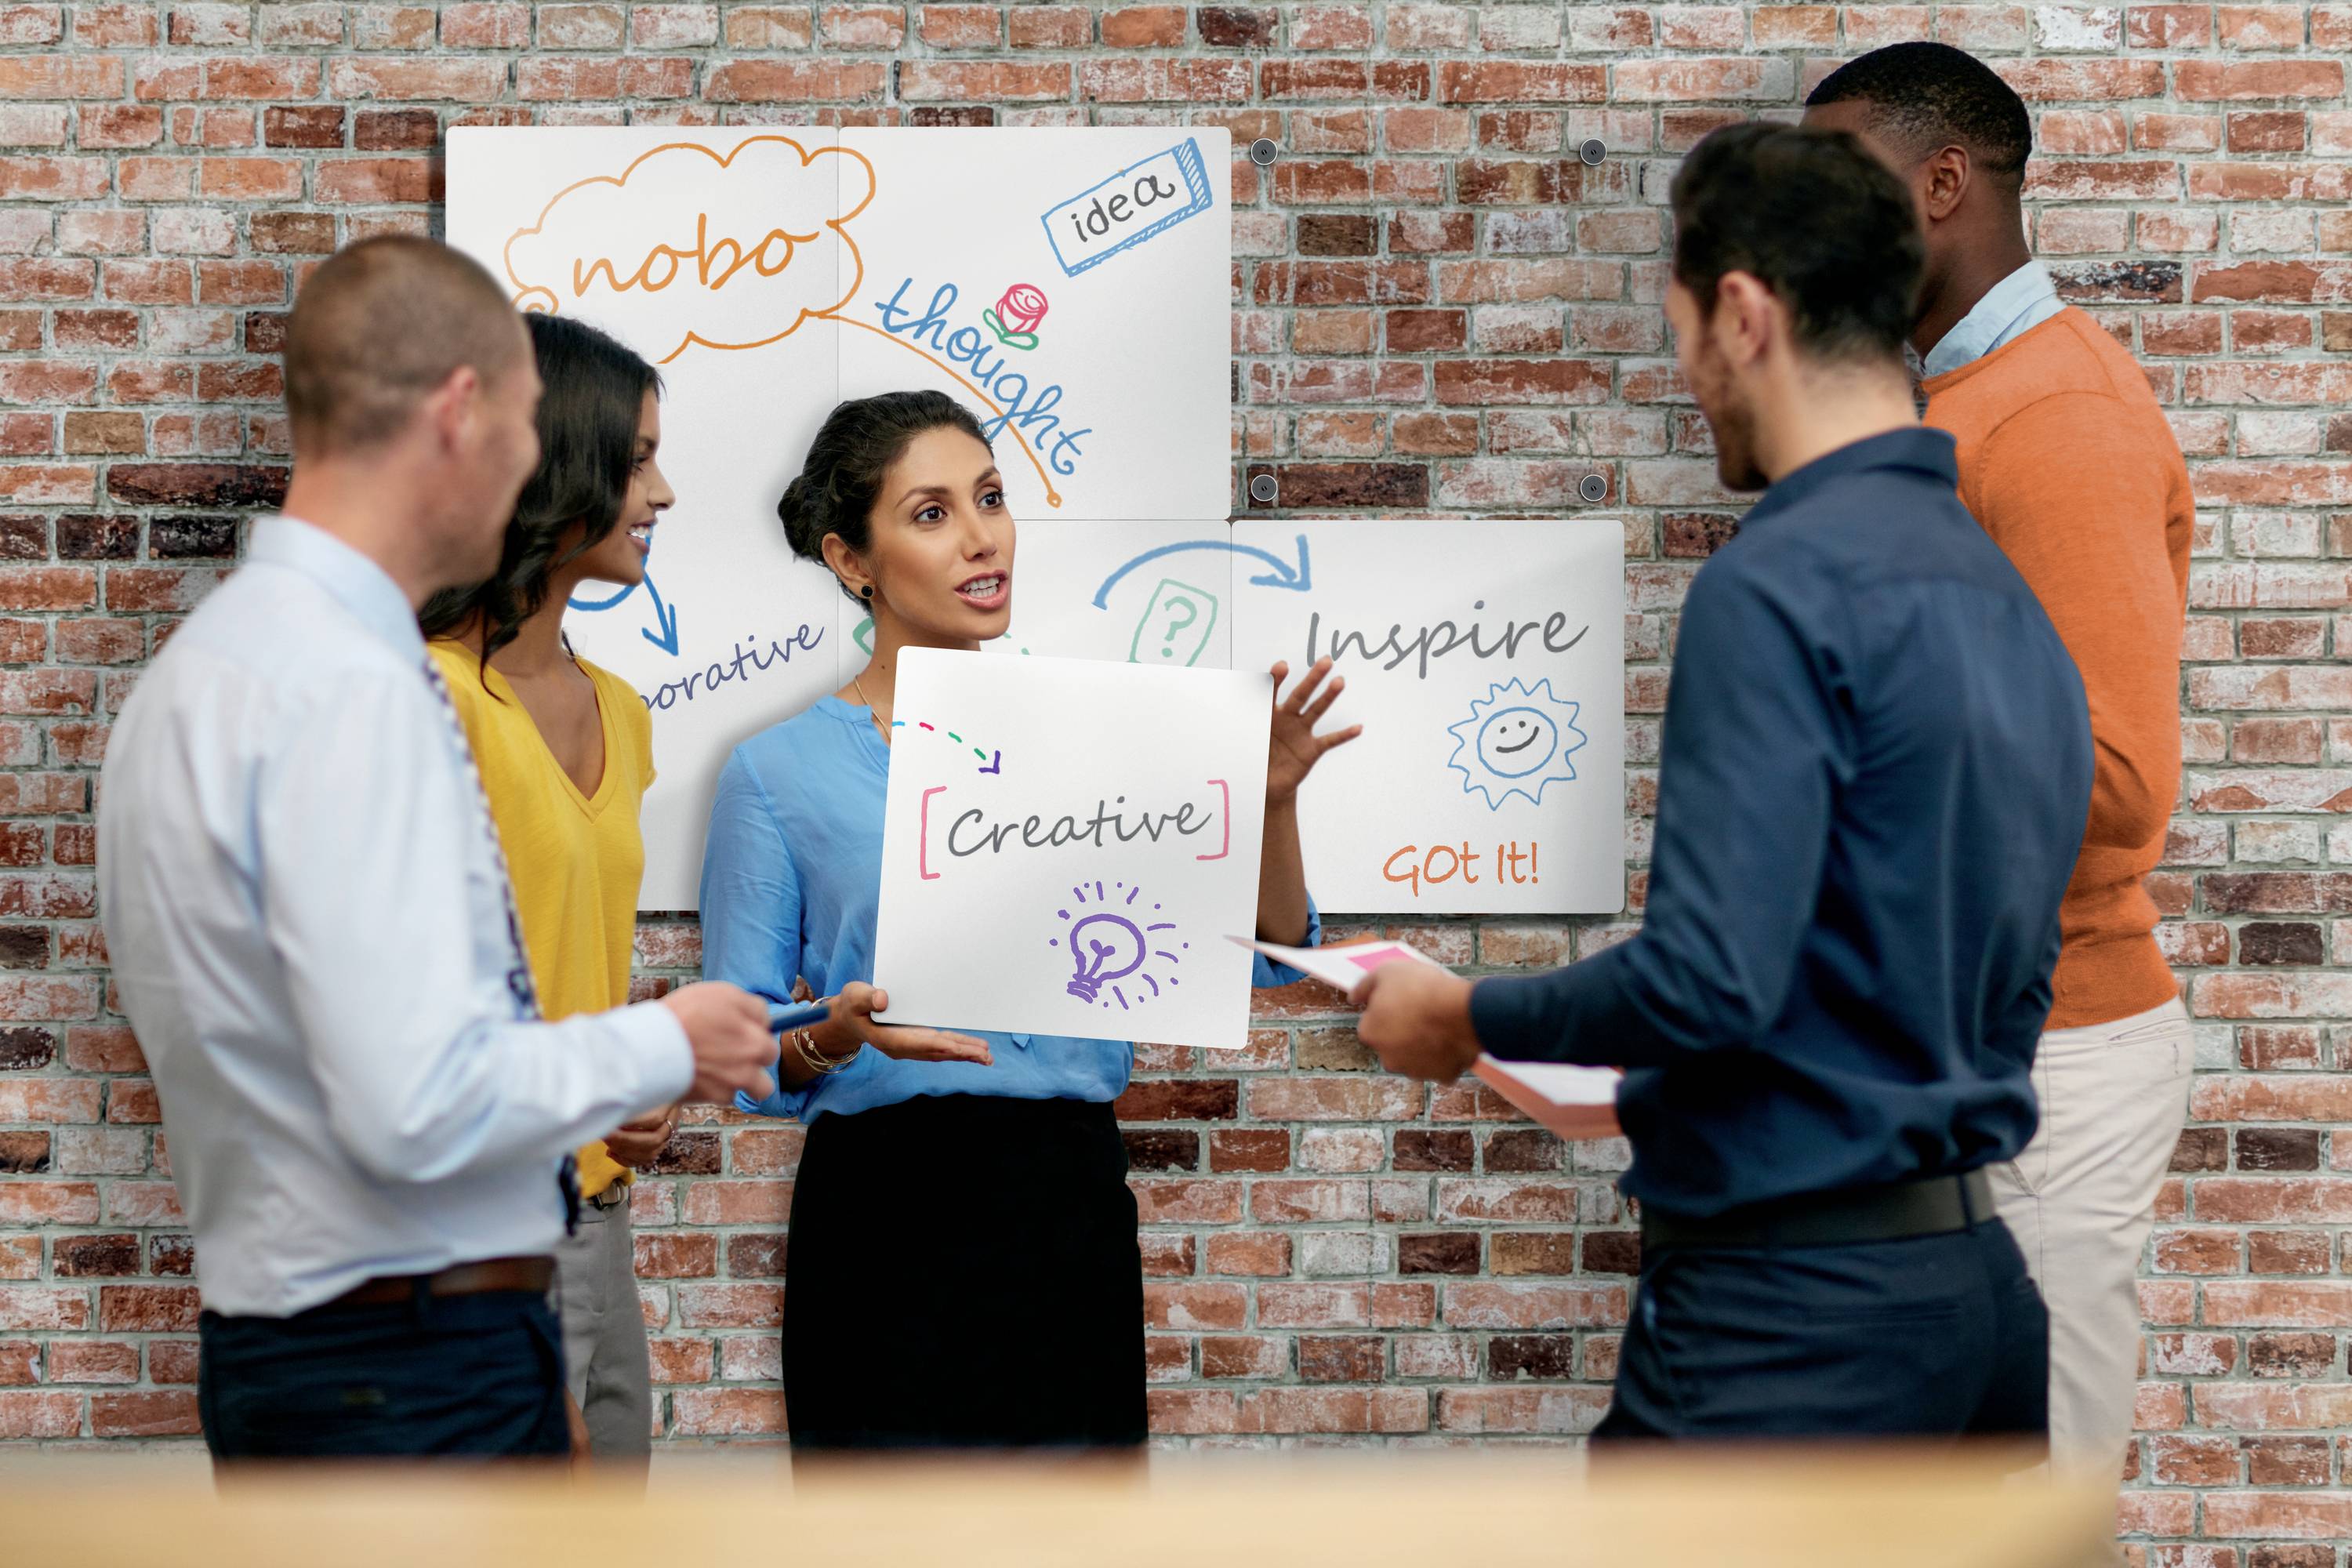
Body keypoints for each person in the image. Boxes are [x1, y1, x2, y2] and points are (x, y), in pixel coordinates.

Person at [1349, 124, 2092, 1443]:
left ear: (1744, 315)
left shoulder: (1779, 584)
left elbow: (1708, 980)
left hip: (1789, 1333)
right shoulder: (2007, 598)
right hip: (1978, 1313)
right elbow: (1997, 972)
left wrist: (1464, 1011)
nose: (1690, 373)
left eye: (1685, 327)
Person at [95, 237, 779, 1461]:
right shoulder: (350, 690)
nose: (529, 467)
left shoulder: (202, 674)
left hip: (319, 1345)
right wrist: (664, 1041)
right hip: (406, 1368)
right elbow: (412, 1105)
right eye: (527, 427)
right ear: (464, 415)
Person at [700, 390, 1358, 1452]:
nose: (979, 538)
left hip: (1065, 1202)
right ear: (849, 559)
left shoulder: (1102, 735)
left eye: (991, 499)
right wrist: (837, 1035)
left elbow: (1267, 957)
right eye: (931, 512)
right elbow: (742, 1052)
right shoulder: (776, 773)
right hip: (880, 1212)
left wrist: (1272, 801)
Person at [1806, 44, 2196, 1477]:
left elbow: (2118, 785)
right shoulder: (1955, 412)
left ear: (1945, 181)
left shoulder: (2056, 420)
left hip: (2048, 1061)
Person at [418, 313, 679, 1468]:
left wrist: (637, 1078)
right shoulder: (420, 696)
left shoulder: (625, 709)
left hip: (598, 1221)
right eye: (635, 462)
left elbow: (570, 959)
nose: (662, 493)